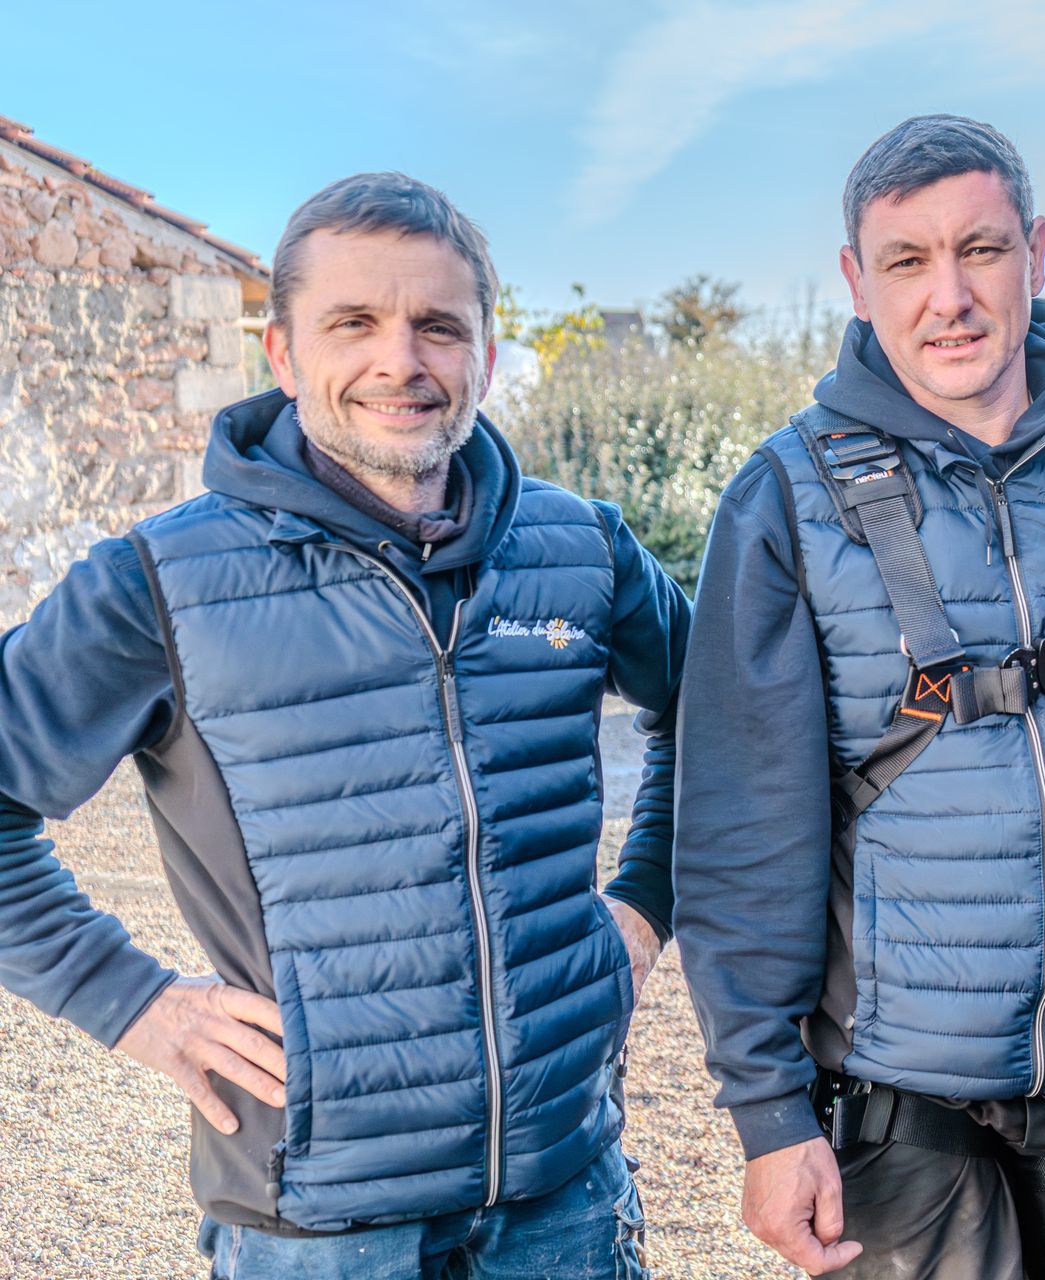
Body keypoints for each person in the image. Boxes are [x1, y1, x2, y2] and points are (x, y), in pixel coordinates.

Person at [0, 172, 688, 1277]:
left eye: (438, 326)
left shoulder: (583, 549)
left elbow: (724, 721)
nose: (399, 361)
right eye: (353, 322)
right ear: (281, 353)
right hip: (319, 1229)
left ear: (486, 355)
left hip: (565, 1189)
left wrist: (647, 901)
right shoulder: (158, 582)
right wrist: (131, 1000)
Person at [672, 115, 1045, 1279]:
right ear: (856, 281)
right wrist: (768, 1111)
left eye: (980, 250)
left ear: (1036, 251)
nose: (948, 295)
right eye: (906, 261)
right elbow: (742, 828)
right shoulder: (784, 501)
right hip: (905, 1099)